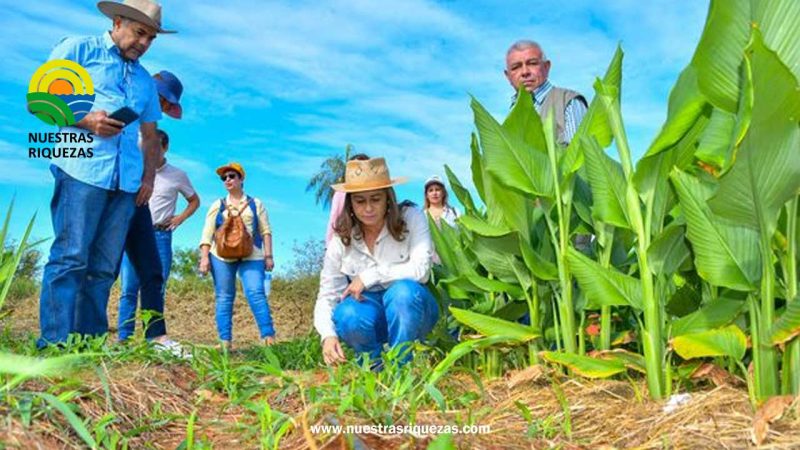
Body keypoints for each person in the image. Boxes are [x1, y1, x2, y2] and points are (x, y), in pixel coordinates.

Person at [38, 0, 174, 347]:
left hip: (125, 183)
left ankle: (89, 346)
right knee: (70, 258)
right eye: (140, 33)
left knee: (102, 269)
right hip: (81, 170)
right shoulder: (79, 49)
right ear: (117, 22)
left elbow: (149, 135)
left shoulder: (145, 80)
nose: (144, 43)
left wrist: (147, 179)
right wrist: (86, 119)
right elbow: (40, 98)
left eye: (151, 38)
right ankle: (52, 344)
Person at [314, 157, 439, 367]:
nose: (369, 208)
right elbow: (328, 294)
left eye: (376, 199)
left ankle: (402, 370)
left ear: (388, 198)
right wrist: (327, 335)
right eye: (360, 201)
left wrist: (369, 276)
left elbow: (422, 270)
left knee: (403, 293)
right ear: (350, 204)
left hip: (414, 310)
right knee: (347, 313)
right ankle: (374, 369)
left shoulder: (412, 217)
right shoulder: (341, 239)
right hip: (370, 312)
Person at [117, 126, 199, 352]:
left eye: (154, 148)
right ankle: (123, 339)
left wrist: (179, 218)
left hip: (160, 235)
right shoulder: (135, 170)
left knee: (155, 287)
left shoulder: (177, 175)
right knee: (128, 289)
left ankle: (152, 340)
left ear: (165, 148)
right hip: (132, 233)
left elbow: (194, 200)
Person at [198, 163, 276, 349]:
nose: (227, 180)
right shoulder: (218, 204)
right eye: (224, 178)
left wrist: (269, 255)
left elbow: (266, 230)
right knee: (224, 296)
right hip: (221, 256)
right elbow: (207, 234)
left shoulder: (256, 204)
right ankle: (225, 342)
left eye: (232, 176)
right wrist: (204, 258)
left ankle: (268, 338)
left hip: (252, 254)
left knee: (255, 293)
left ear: (241, 179)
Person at [504, 40, 587, 145]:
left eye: (532, 63)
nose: (525, 72)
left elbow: (578, 155)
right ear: (508, 76)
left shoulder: (568, 101)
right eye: (516, 67)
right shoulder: (512, 111)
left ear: (546, 67)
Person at [325, 153, 370, 246]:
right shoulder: (341, 193)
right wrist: (328, 246)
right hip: (349, 237)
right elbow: (334, 219)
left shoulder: (378, 191)